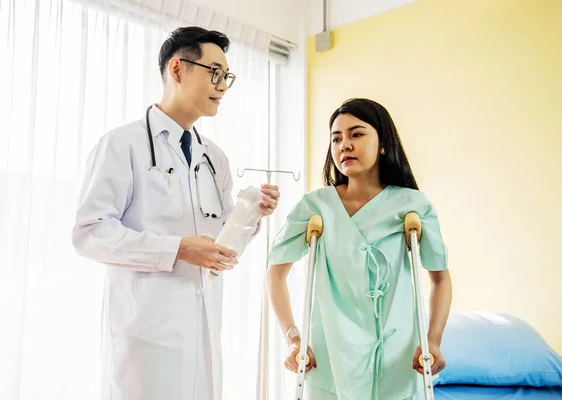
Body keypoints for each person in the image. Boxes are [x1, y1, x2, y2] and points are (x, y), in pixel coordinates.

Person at [72, 26, 280, 400]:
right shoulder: (123, 145)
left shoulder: (214, 157)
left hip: (203, 327)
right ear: (178, 69)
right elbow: (90, 233)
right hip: (146, 332)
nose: (222, 86)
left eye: (226, 77)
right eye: (214, 72)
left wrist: (251, 215)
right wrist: (177, 249)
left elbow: (219, 248)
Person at [265, 98, 452, 400]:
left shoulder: (412, 205)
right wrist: (293, 338)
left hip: (397, 358)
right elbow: (275, 274)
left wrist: (433, 339)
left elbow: (440, 278)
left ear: (382, 143)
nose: (344, 145)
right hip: (329, 357)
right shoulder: (316, 206)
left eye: (356, 134)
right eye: (336, 138)